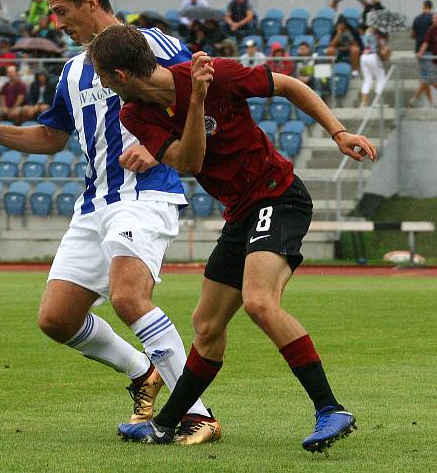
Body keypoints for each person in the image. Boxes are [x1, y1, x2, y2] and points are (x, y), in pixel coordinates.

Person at [0, 0, 219, 445]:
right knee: (56, 319)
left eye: (61, 10)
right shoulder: (73, 69)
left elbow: (203, 102)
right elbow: (52, 137)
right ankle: (143, 373)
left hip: (145, 193)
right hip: (94, 202)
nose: (56, 21)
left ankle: (197, 413)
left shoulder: (154, 43)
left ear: (91, 2)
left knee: (127, 297)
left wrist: (160, 143)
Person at [87, 24, 375, 451]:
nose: (101, 84)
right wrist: (198, 102)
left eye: (103, 76)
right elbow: (189, 160)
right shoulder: (135, 114)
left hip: (278, 197)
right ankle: (167, 423)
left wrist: (339, 132)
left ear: (122, 75)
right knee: (207, 325)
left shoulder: (215, 74)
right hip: (240, 213)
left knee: (260, 302)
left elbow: (290, 85)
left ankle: (331, 409)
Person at [409, 0, 436, 108]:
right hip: (430, 49)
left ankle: (430, 103)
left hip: (418, 49)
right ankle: (415, 98)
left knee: (425, 76)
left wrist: (419, 37)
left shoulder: (417, 18)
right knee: (429, 77)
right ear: (431, 7)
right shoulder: (434, 18)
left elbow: (412, 35)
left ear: (423, 6)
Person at [359, 27, 388, 107]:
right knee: (381, 78)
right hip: (373, 56)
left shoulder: (368, 31)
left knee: (368, 79)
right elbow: (382, 50)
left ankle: (363, 102)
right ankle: (377, 102)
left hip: (364, 56)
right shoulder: (379, 34)